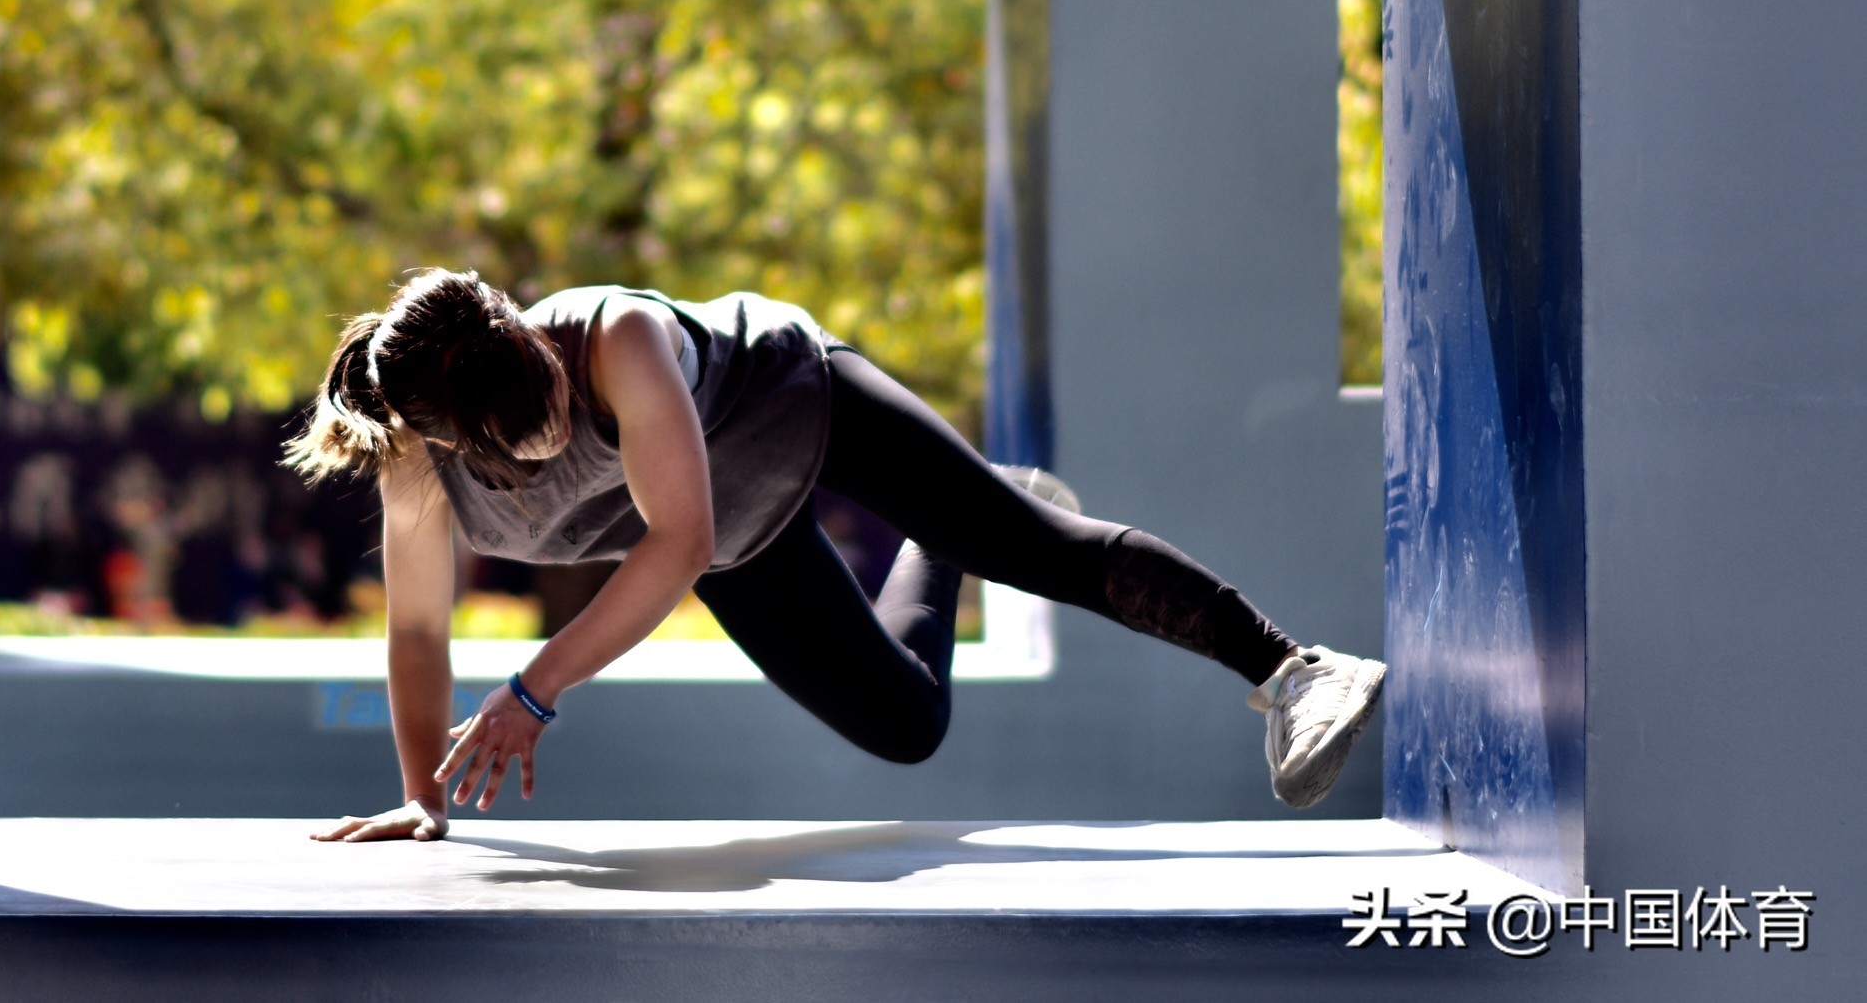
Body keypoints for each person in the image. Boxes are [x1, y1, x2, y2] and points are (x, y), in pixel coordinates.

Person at [286, 269, 1384, 842]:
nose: (558, 428)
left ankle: (1294, 668)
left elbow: (680, 538)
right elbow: (418, 630)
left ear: (522, 330)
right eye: (526, 443)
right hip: (728, 523)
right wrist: (422, 794)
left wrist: (535, 688)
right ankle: (938, 536)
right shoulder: (416, 468)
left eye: (558, 401)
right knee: (904, 726)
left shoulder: (613, 339)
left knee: (1032, 547)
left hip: (792, 401)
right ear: (448, 438)